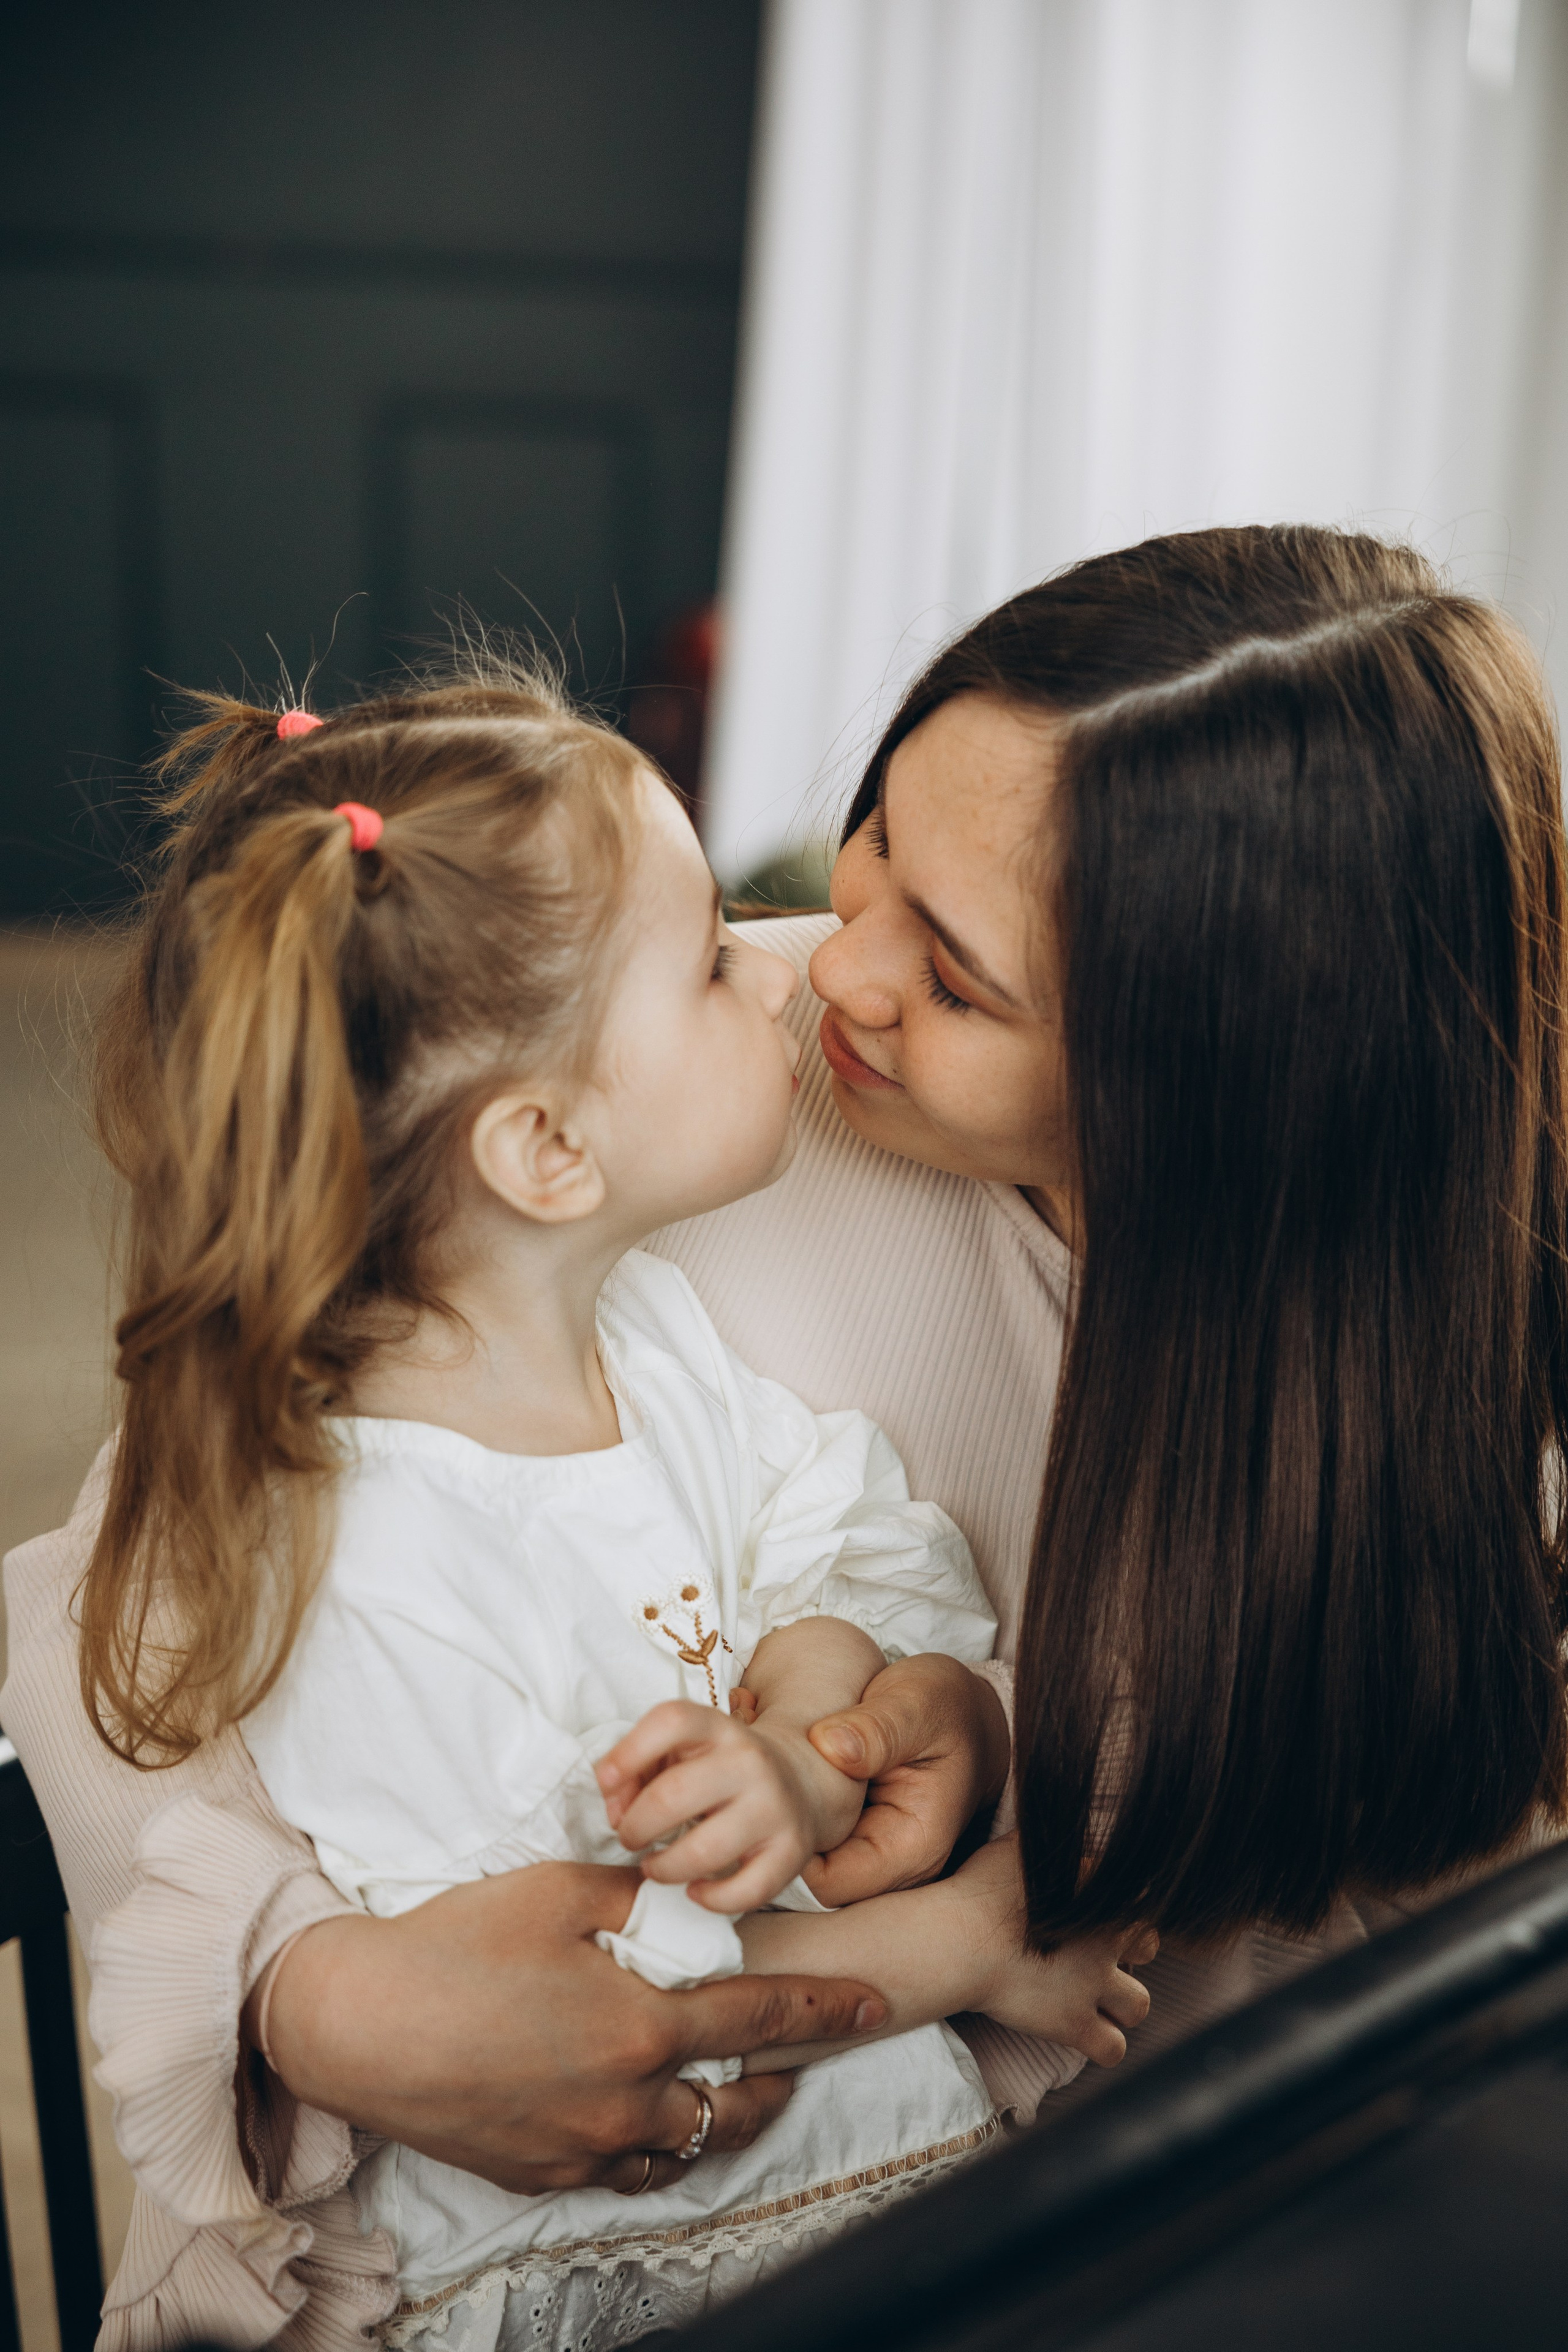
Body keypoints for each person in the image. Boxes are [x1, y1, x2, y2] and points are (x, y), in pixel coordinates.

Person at [6, 522, 1565, 2342]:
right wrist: (315, 1994)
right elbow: (126, 1565)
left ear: (1226, 1074)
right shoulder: (692, 1100)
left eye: (962, 977)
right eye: (883, 836)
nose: (831, 962)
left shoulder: (1460, 1369)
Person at [70, 670, 1145, 2349]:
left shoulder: (643, 1334)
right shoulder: (361, 1546)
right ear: (549, 1154)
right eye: (724, 954)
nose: (798, 977)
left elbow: (824, 1527)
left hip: (850, 2214)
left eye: (949, 965)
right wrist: (977, 1944)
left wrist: (813, 1727)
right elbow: (578, 1999)